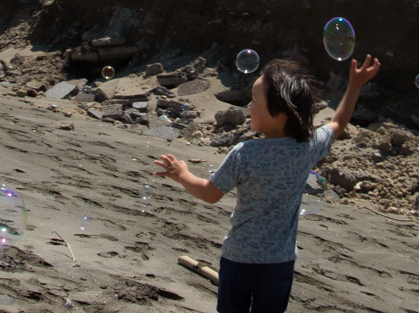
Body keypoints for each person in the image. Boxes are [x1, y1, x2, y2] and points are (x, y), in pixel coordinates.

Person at [154, 54, 381, 313]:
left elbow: (209, 193)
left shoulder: (244, 153)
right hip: (279, 263)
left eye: (254, 101)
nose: (249, 106)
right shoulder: (307, 147)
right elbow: (338, 122)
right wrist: (355, 85)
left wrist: (182, 173)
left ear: (280, 112)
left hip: (238, 259)